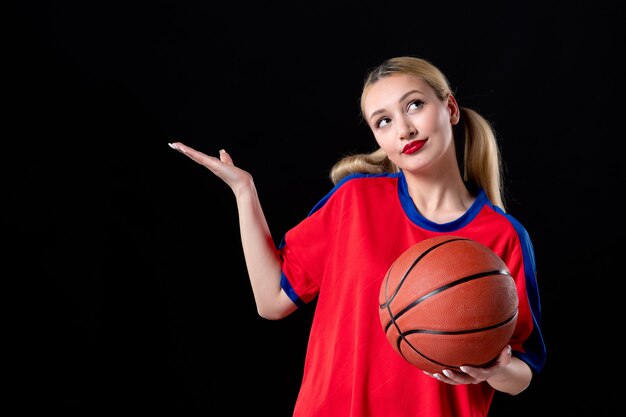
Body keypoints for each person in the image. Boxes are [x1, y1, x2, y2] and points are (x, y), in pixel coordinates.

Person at [168, 55, 546, 417]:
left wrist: (492, 371)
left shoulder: (502, 235)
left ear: (449, 108)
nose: (404, 129)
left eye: (414, 105)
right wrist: (244, 192)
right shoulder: (355, 201)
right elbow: (272, 301)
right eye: (383, 121)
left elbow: (522, 374)